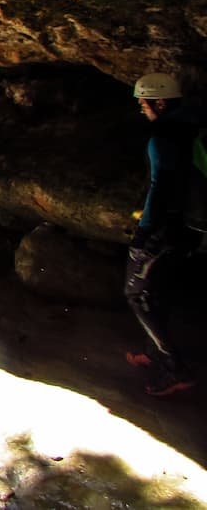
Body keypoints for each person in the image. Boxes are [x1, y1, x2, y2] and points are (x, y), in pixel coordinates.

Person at [125, 72, 201, 397]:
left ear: (160, 102)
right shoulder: (193, 127)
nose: (141, 109)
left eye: (144, 103)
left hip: (170, 227)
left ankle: (174, 368)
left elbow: (161, 187)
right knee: (160, 289)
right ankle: (154, 352)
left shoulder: (164, 138)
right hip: (193, 227)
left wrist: (144, 232)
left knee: (137, 293)